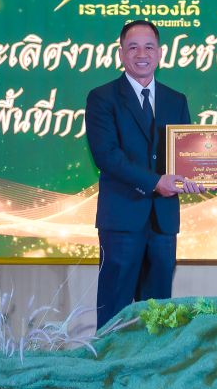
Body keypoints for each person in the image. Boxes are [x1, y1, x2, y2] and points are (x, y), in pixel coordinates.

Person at [85, 20, 202, 329]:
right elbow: (107, 156)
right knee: (115, 312)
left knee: (158, 314)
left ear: (160, 53)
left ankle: (154, 362)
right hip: (122, 220)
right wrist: (155, 182)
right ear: (121, 53)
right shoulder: (102, 98)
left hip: (163, 223)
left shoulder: (176, 100)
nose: (142, 54)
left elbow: (186, 155)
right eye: (133, 47)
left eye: (149, 47)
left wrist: (201, 173)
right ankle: (110, 361)